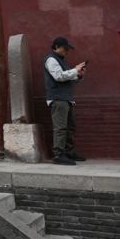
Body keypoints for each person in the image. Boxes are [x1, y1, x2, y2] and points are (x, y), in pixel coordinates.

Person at [45, 36, 87, 165]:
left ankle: (69, 153)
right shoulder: (51, 60)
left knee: (70, 128)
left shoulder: (61, 61)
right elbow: (58, 77)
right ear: (56, 46)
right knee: (61, 128)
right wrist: (75, 70)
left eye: (68, 49)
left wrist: (78, 75)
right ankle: (58, 155)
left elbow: (67, 79)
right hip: (58, 99)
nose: (66, 51)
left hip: (67, 99)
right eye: (65, 48)